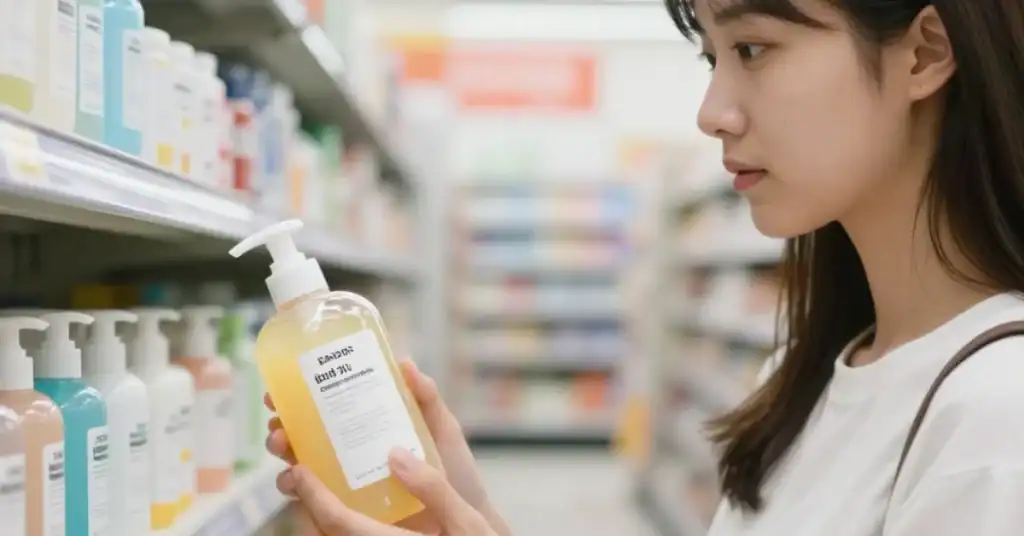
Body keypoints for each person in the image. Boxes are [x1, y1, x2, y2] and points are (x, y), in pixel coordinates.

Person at [265, 0, 1024, 534]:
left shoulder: (998, 418)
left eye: (753, 48)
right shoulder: (805, 370)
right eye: (712, 56)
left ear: (924, 52)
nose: (711, 109)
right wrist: (466, 517)